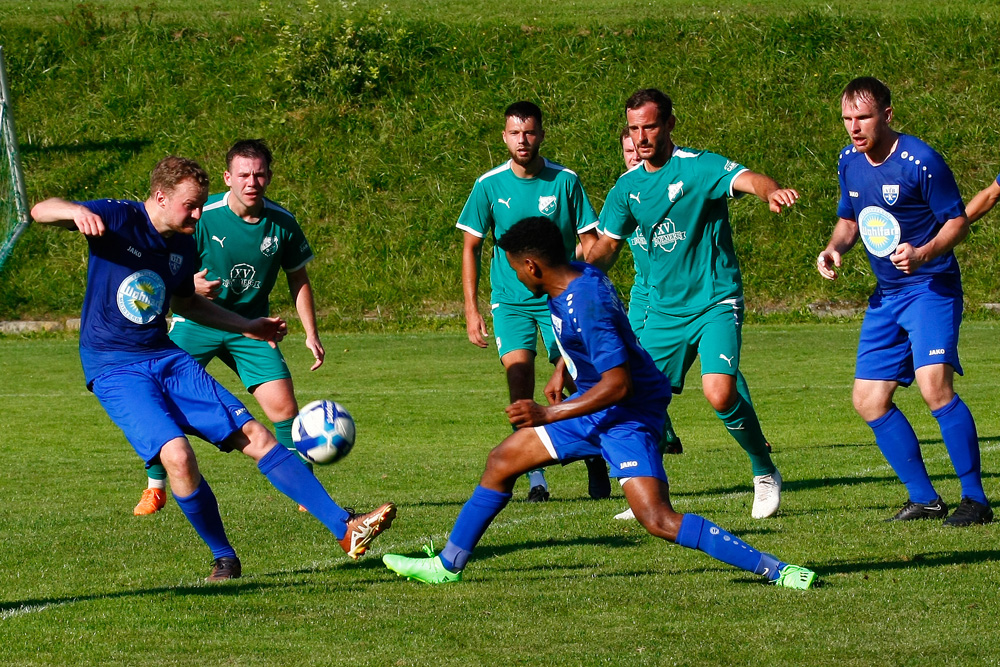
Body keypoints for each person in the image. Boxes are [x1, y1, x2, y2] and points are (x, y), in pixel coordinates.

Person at [382, 217, 816, 589]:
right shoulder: (574, 276)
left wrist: (547, 413)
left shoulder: (583, 303)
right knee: (502, 460)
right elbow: (591, 348)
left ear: (531, 266)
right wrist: (562, 370)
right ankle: (447, 565)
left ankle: (776, 569)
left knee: (658, 519)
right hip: (597, 407)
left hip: (626, 415)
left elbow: (619, 383)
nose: (515, 275)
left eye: (514, 268)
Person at [31, 157, 396, 581]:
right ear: (161, 197)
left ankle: (345, 529)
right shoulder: (118, 216)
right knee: (178, 456)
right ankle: (223, 556)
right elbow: (41, 210)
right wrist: (74, 211)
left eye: (202, 204)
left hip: (164, 354)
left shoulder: (183, 245)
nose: (199, 214)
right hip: (114, 367)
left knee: (255, 434)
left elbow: (186, 303)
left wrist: (247, 326)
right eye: (191, 205)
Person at [588, 89, 793, 519]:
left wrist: (769, 192)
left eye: (650, 126)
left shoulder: (699, 167)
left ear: (669, 124)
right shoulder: (627, 188)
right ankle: (649, 493)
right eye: (634, 129)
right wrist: (574, 270)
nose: (642, 137)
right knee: (637, 403)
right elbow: (607, 245)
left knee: (719, 393)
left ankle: (764, 471)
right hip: (663, 312)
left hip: (715, 300)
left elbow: (749, 178)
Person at [817, 77, 992, 526]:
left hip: (930, 288)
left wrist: (922, 253)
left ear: (888, 115)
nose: (854, 128)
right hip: (887, 296)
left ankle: (975, 500)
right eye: (847, 119)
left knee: (935, 386)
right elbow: (849, 219)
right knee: (868, 400)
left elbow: (957, 223)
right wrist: (836, 246)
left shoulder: (921, 161)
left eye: (864, 118)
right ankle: (925, 498)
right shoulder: (848, 160)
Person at [134, 139, 325, 516]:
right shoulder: (203, 215)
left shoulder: (282, 223)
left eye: (259, 174)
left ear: (268, 176)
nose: (251, 181)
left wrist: (311, 333)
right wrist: (189, 284)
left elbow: (298, 278)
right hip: (196, 320)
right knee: (160, 398)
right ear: (228, 177)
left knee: (284, 407)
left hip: (250, 327)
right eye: (243, 174)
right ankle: (155, 486)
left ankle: (305, 489)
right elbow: (169, 262)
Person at [458, 100, 607, 502]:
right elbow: (471, 245)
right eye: (514, 133)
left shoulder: (565, 181)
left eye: (529, 132)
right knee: (518, 378)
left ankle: (594, 454)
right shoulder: (489, 185)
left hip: (558, 297)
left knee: (576, 377)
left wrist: (585, 291)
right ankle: (535, 476)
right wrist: (472, 309)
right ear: (504, 137)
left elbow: (590, 241)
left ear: (541, 134)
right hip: (511, 302)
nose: (522, 141)